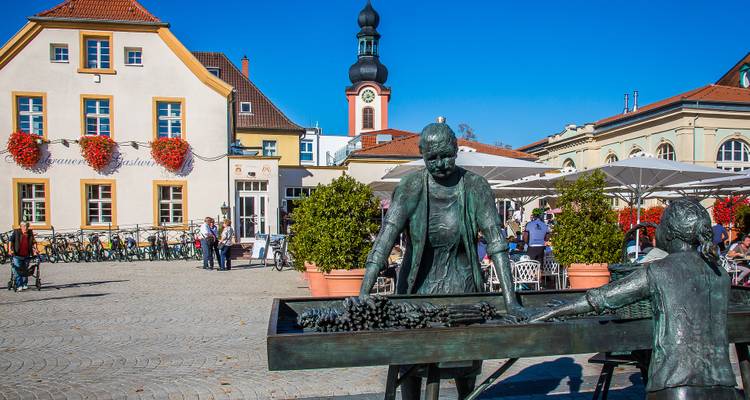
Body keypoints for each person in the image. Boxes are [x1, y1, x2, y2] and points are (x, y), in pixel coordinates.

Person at [359, 121, 524, 399]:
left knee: (466, 366)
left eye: (446, 155)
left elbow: (497, 243)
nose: (440, 163)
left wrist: (511, 302)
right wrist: (363, 292)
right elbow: (385, 239)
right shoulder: (411, 186)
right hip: (416, 291)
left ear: (456, 150)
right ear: (422, 155)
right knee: (409, 363)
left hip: (464, 290)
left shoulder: (476, 187)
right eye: (432, 158)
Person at [531, 198, 739, 400]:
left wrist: (554, 311)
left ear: (670, 232)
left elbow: (601, 298)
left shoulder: (658, 271)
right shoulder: (719, 274)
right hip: (725, 385)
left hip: (675, 384)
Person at [7, 222, 36, 292]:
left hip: (26, 255)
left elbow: (33, 242)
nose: (25, 228)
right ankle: (19, 285)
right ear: (21, 227)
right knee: (17, 270)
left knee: (25, 270)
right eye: (23, 226)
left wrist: (35, 250)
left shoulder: (30, 232)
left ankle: (24, 284)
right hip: (17, 255)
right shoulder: (16, 232)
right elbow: (10, 240)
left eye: (26, 226)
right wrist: (9, 249)